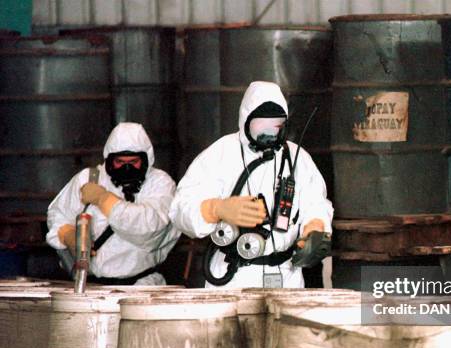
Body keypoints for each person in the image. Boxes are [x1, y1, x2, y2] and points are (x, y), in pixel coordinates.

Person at [170, 81, 333, 288]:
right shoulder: (219, 155)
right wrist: (216, 209)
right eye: (260, 125)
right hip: (234, 277)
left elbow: (316, 202)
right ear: (245, 120)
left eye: (275, 125)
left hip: (286, 276)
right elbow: (179, 209)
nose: (268, 132)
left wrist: (315, 227)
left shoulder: (297, 158)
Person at [46, 122, 181, 285]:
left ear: (145, 159)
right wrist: (67, 235)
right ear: (109, 159)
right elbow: (58, 214)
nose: (126, 168)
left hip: (141, 288)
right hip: (89, 286)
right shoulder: (89, 179)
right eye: (120, 162)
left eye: (133, 162)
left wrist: (105, 200)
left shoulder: (160, 184)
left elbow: (149, 231)